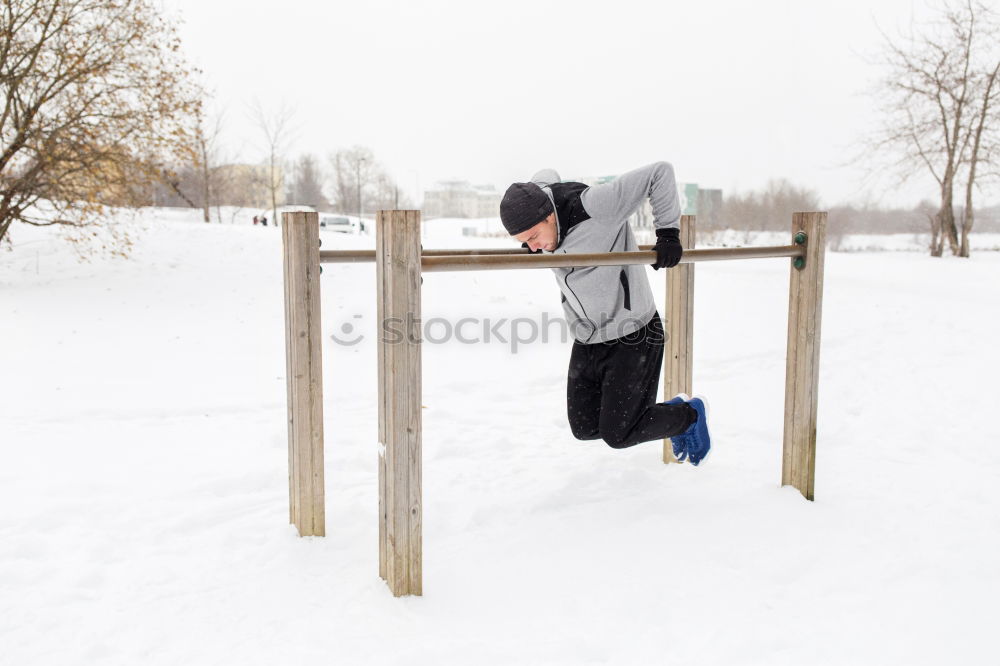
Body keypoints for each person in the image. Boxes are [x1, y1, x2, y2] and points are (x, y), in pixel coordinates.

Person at [499, 162, 711, 464]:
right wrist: (530, 234)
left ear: (548, 216)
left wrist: (667, 234)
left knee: (619, 434)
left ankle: (688, 415)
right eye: (524, 242)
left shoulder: (598, 206)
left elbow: (659, 172)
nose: (533, 249)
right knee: (584, 427)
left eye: (533, 237)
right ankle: (655, 414)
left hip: (633, 332)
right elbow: (546, 176)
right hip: (587, 337)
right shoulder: (540, 202)